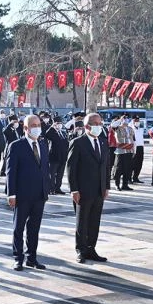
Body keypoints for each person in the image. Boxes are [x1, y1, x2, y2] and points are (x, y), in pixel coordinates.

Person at [6, 115, 50, 271]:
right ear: (25, 128)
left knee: (34, 228)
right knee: (18, 228)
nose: (37, 128)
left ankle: (32, 257)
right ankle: (18, 258)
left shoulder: (43, 144)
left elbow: (45, 168)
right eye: (33, 125)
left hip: (39, 194)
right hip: (22, 194)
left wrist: (46, 189)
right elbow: (11, 171)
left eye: (38, 125)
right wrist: (11, 194)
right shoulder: (16, 146)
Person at [67, 112, 110, 264]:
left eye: (100, 123)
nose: (99, 126)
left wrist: (106, 186)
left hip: (99, 189)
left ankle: (92, 248)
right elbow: (71, 168)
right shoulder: (78, 142)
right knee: (82, 221)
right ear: (87, 126)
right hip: (83, 190)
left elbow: (106, 166)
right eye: (96, 124)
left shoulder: (103, 142)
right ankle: (81, 250)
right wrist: (74, 189)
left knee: (94, 221)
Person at [44, 115, 69, 195]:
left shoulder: (63, 132)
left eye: (60, 123)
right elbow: (47, 134)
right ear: (54, 123)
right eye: (58, 123)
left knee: (60, 174)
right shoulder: (51, 132)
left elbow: (66, 143)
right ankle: (51, 189)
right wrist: (52, 127)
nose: (59, 125)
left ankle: (58, 188)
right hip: (54, 157)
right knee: (52, 174)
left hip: (62, 157)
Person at [112, 115, 135, 191]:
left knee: (127, 169)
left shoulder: (130, 128)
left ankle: (125, 185)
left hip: (129, 150)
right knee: (118, 169)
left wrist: (134, 150)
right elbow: (113, 125)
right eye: (124, 118)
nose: (126, 120)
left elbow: (133, 140)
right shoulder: (117, 128)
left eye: (127, 118)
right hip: (120, 151)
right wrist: (120, 120)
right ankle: (117, 185)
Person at [130, 117, 145, 184]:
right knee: (132, 164)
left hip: (141, 147)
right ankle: (129, 178)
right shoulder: (131, 128)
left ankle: (135, 177)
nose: (137, 122)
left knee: (139, 163)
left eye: (138, 120)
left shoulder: (140, 129)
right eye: (136, 120)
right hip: (134, 148)